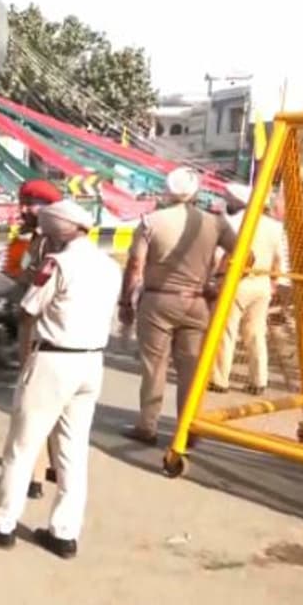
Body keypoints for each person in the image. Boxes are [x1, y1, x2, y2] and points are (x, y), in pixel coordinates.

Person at [0, 200, 121, 560]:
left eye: (47, 232)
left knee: (22, 447)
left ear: (57, 232)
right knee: (73, 450)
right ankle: (64, 533)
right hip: (91, 363)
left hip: (54, 360)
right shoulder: (110, 266)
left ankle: (1, 524)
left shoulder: (57, 264)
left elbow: (27, 309)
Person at [119, 167, 238, 445]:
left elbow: (136, 264)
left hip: (158, 299)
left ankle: (147, 426)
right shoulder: (216, 223)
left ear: (167, 191)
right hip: (198, 299)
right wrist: (220, 281)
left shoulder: (151, 221)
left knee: (154, 366)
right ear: (196, 191)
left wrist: (125, 301)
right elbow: (246, 255)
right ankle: (188, 428)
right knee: (192, 369)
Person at [0, 179, 65, 499]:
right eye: (23, 202)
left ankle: (33, 478)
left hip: (40, 329)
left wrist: (19, 275)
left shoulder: (51, 244)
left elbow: (36, 282)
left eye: (31, 204)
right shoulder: (39, 238)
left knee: (33, 403)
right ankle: (53, 467)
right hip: (51, 335)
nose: (23, 209)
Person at [211, 183, 283, 395]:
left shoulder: (236, 221)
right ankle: (259, 380)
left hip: (237, 281)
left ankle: (220, 379)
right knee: (256, 333)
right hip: (263, 283)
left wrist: (216, 278)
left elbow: (220, 255)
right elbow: (278, 259)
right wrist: (274, 283)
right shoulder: (274, 227)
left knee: (226, 331)